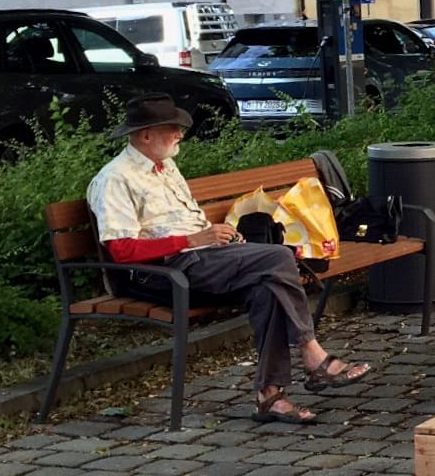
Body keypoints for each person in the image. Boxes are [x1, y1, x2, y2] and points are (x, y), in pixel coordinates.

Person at [85, 94, 371, 424]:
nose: (180, 134)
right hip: (164, 273)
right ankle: (313, 355)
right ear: (146, 135)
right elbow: (120, 250)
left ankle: (270, 396)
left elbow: (187, 224)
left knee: (268, 289)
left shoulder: (165, 167)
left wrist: (219, 234)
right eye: (173, 128)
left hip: (203, 259)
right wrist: (194, 239)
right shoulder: (115, 179)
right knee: (278, 258)